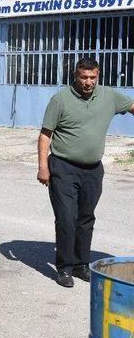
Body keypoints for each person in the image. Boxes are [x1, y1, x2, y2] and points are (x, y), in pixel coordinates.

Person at [38, 58, 134, 288]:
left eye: (92, 77)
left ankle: (81, 266)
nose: (88, 82)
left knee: (86, 218)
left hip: (93, 170)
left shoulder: (109, 96)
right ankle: (64, 269)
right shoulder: (60, 100)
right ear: (75, 75)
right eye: (83, 77)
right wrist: (43, 167)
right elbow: (45, 135)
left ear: (98, 75)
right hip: (63, 167)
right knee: (66, 219)